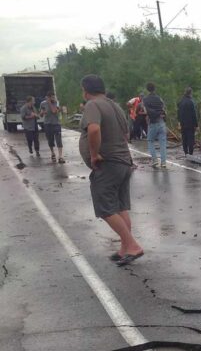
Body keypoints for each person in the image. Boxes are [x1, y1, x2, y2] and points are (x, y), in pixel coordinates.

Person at [79, 74, 143, 266]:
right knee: (120, 206)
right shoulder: (114, 105)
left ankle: (132, 245)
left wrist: (94, 154)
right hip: (124, 162)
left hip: (109, 164)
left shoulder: (93, 105)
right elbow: (125, 134)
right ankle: (125, 247)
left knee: (105, 208)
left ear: (86, 90)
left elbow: (94, 130)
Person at [142, 82, 167, 169]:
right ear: (154, 89)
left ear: (147, 89)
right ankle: (163, 162)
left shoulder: (145, 100)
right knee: (163, 143)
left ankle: (155, 160)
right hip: (161, 122)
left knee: (150, 141)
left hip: (152, 123)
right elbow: (164, 109)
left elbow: (146, 111)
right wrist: (161, 114)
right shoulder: (159, 98)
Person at [40, 91, 65, 163]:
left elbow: (54, 111)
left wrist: (49, 103)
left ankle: (60, 156)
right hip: (47, 124)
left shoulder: (56, 102)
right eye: (52, 97)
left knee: (58, 140)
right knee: (50, 140)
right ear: (48, 97)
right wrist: (42, 113)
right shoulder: (43, 103)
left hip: (56, 123)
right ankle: (52, 152)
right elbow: (41, 114)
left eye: (54, 97)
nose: (53, 98)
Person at [177, 87, 198, 156]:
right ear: (190, 93)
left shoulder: (181, 101)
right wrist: (196, 125)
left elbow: (179, 113)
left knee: (184, 138)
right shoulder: (191, 102)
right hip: (190, 123)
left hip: (183, 123)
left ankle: (186, 153)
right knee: (190, 139)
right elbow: (194, 114)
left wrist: (179, 122)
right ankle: (190, 153)